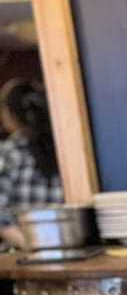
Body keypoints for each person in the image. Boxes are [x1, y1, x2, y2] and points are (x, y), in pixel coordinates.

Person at [0, 80, 63, 247]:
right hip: (67, 242)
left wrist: (32, 245)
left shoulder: (9, 152)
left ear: (10, 114)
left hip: (21, 251)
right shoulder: (63, 148)